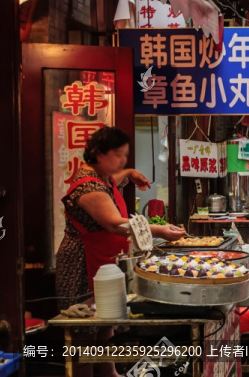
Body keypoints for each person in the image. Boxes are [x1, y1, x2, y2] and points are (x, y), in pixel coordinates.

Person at [56, 126, 186, 377]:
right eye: (117, 154)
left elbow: (116, 179)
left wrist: (129, 173)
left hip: (104, 261)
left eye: (125, 155)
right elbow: (115, 224)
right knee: (84, 330)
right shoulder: (88, 188)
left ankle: (110, 372)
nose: (122, 160)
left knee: (105, 322)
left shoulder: (101, 176)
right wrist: (159, 230)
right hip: (83, 263)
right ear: (97, 153)